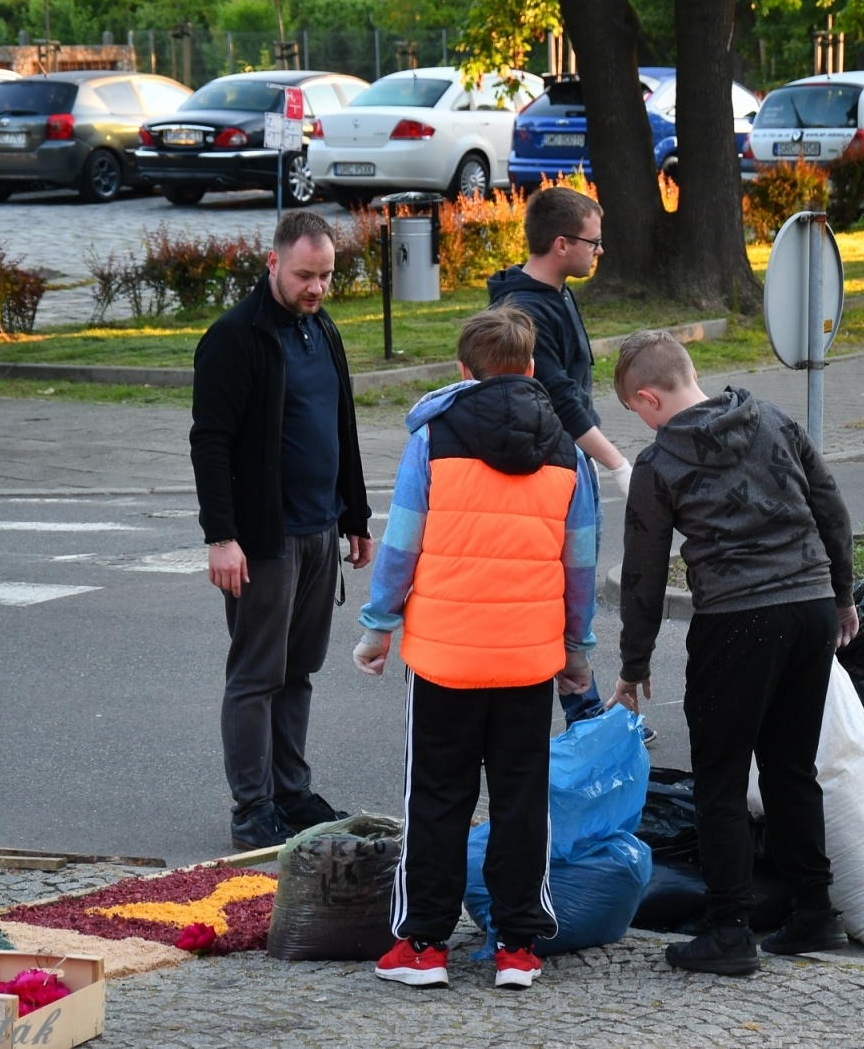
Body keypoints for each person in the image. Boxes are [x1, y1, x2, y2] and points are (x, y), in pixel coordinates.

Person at [353, 303, 599, 991]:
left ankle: (425, 944)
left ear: (465, 371)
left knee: (436, 797)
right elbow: (579, 562)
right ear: (529, 369)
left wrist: (378, 628)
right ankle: (517, 945)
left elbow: (402, 541)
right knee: (522, 799)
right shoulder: (569, 450)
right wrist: (576, 650)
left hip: (445, 657)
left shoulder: (433, 437)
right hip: (528, 657)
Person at [612, 331, 859, 976]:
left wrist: (634, 663)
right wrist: (842, 595)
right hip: (808, 613)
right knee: (789, 769)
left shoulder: (661, 461)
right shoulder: (773, 419)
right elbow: (830, 506)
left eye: (635, 409)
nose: (640, 421)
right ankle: (815, 913)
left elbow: (643, 572)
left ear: (647, 396)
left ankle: (729, 930)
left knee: (719, 781)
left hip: (736, 623)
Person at [190, 210, 373, 853]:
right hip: (263, 537)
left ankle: (292, 791)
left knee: (299, 670)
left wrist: (356, 514)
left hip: (321, 528)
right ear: (272, 264)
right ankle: (253, 807)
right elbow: (210, 443)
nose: (317, 287)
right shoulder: (235, 338)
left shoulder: (321, 329)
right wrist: (221, 536)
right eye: (304, 275)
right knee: (257, 672)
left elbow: (340, 426)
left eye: (326, 275)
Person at [488, 186, 629, 730]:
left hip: (564, 464)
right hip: (544, 471)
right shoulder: (526, 310)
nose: (600, 252)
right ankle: (584, 713)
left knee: (568, 592)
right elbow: (560, 397)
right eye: (593, 242)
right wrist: (615, 462)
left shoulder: (556, 293)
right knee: (561, 590)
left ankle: (585, 710)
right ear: (561, 243)